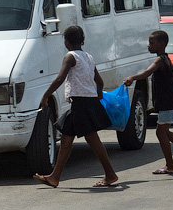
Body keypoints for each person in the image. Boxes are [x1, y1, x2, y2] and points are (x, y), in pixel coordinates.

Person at [33, 25, 118, 188]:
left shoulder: (70, 57)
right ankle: (54, 177)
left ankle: (110, 175)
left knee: (93, 139)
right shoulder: (88, 57)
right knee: (66, 139)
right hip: (85, 102)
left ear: (66, 42)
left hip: (81, 103)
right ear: (82, 40)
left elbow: (59, 79)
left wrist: (45, 96)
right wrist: (98, 95)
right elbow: (99, 81)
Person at [124, 30, 173, 175]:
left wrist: (132, 78)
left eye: (152, 43)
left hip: (170, 102)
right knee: (163, 132)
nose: (149, 46)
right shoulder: (165, 58)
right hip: (170, 102)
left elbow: (146, 73)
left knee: (161, 132)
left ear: (162, 44)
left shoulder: (159, 60)